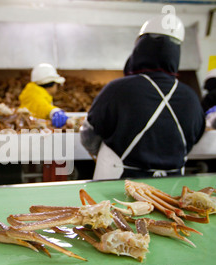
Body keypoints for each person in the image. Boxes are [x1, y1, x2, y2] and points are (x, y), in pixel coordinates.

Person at [81, 14, 205, 180]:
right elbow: (194, 139)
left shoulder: (117, 89)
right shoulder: (191, 97)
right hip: (170, 188)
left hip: (117, 184)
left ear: (140, 48)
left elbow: (89, 135)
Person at [19, 63, 68, 128]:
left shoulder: (32, 89)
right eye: (56, 84)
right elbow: (41, 106)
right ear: (52, 84)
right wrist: (54, 111)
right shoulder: (35, 94)